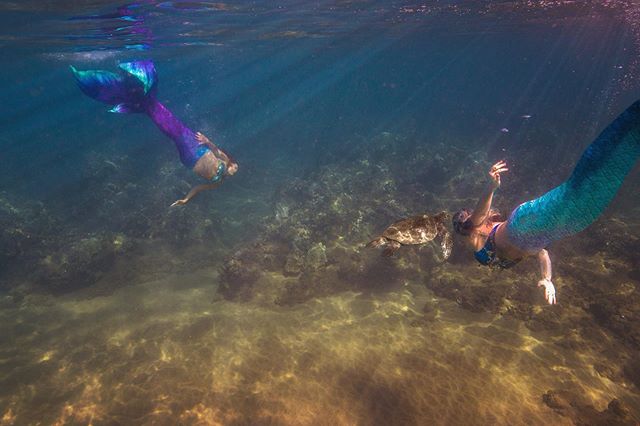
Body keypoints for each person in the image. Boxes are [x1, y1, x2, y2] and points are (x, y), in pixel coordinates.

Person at [453, 100, 640, 304]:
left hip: (525, 223)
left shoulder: (476, 235)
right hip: (549, 232)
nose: (468, 222)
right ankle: (633, 134)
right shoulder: (480, 235)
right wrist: (546, 279)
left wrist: (491, 188)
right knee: (595, 197)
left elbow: (478, 217)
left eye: (465, 220)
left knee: (577, 190)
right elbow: (541, 253)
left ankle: (632, 120)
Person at [71, 60, 237, 206]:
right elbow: (215, 150)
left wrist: (186, 199)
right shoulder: (225, 159)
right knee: (176, 129)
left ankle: (144, 102)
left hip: (188, 159)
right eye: (235, 167)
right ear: (231, 164)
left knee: (173, 133)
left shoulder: (218, 183)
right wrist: (206, 140)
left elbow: (199, 188)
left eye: (235, 170)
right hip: (198, 148)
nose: (235, 170)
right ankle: (145, 102)